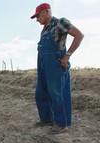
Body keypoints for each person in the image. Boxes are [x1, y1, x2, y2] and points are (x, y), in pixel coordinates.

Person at [31, 3, 84, 134]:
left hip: (55, 64)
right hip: (43, 65)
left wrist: (67, 55)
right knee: (41, 92)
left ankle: (61, 123)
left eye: (38, 16)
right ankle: (47, 118)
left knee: (57, 93)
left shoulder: (60, 22)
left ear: (46, 12)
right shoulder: (44, 30)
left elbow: (79, 35)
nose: (37, 20)